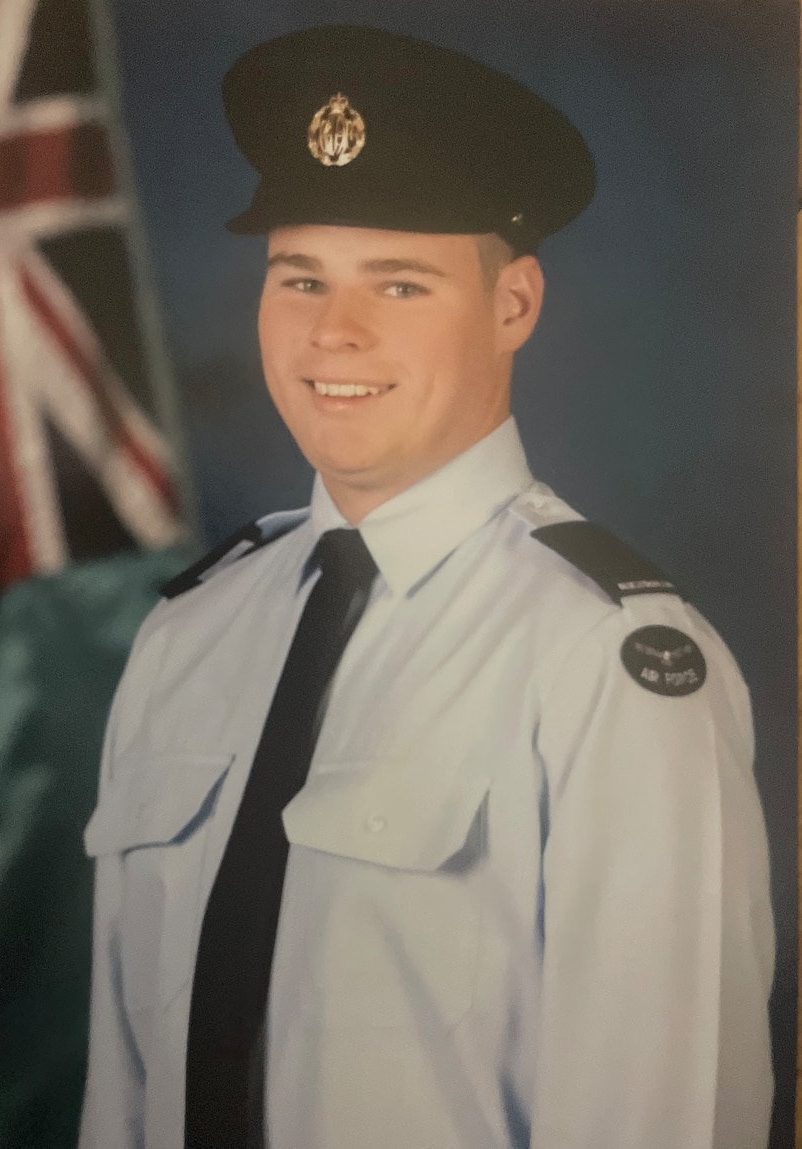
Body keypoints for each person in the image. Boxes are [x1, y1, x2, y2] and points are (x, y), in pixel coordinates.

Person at [78, 24, 775, 1149]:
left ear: (514, 307)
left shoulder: (606, 665)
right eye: (298, 277)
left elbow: (666, 1117)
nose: (332, 333)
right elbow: (120, 1098)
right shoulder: (187, 637)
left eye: (398, 283)